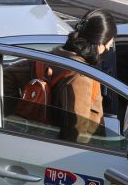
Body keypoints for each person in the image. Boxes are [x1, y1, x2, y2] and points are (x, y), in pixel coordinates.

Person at [49, 9, 117, 143]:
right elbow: (77, 134)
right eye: (108, 44)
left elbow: (8, 75)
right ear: (98, 44)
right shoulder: (82, 77)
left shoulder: (50, 59)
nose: (108, 49)